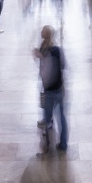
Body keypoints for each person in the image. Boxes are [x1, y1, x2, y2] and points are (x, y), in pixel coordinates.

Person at [36, 25, 68, 154]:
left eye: (43, 30)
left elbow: (46, 71)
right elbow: (63, 65)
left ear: (47, 34)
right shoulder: (55, 48)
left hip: (50, 89)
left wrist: (41, 59)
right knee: (61, 117)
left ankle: (47, 146)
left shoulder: (47, 50)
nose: (40, 31)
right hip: (58, 87)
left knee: (49, 115)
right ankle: (63, 143)